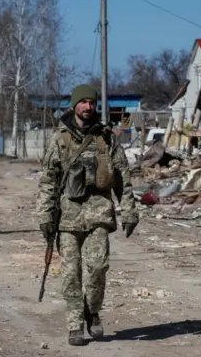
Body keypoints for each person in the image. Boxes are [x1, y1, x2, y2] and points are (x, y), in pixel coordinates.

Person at [36, 84, 139, 346]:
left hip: (99, 214)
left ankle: (91, 311)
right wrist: (45, 215)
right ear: (74, 105)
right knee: (71, 273)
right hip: (68, 217)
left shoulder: (107, 138)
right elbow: (48, 179)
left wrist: (129, 211)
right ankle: (75, 325)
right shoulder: (60, 138)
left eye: (91, 103)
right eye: (82, 102)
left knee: (97, 268)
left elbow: (122, 177)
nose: (88, 107)